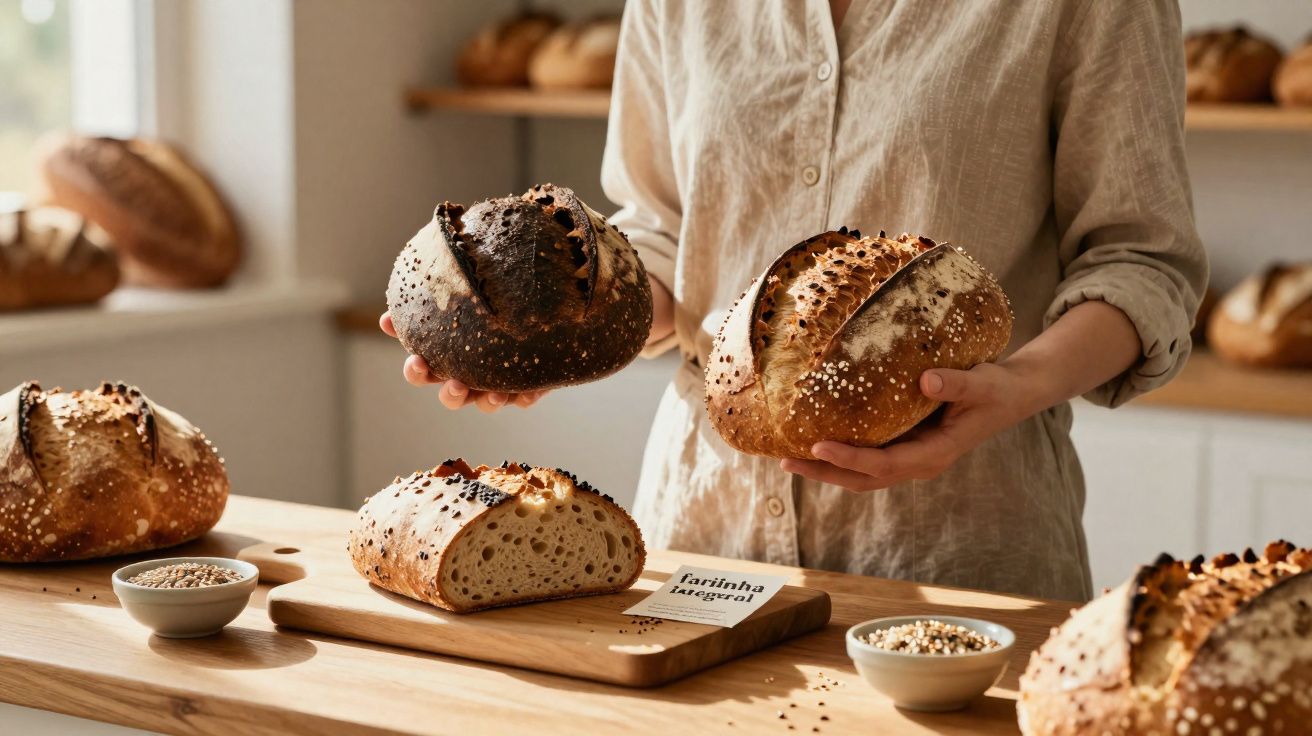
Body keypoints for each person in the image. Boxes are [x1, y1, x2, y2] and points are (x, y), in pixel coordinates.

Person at [381, 0, 1208, 601]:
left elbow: (1143, 263)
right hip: (705, 537)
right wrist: (562, 335)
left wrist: (1016, 388)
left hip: (964, 538)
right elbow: (667, 231)